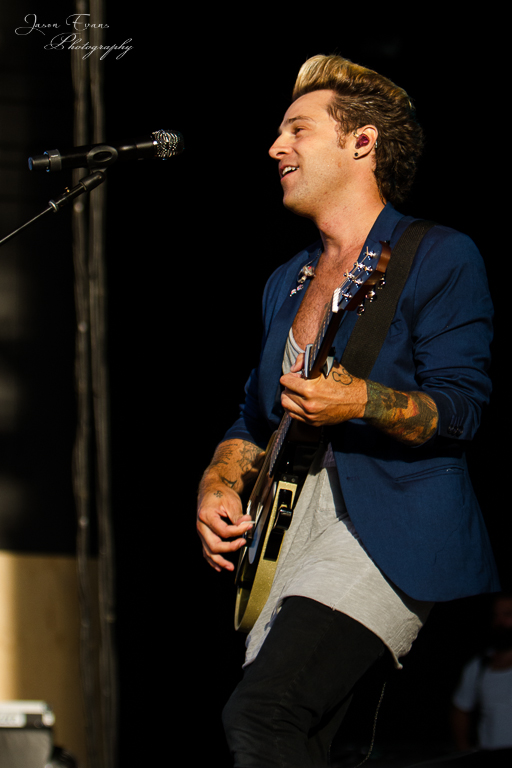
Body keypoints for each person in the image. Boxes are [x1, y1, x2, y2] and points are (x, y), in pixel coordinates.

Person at [196, 54, 499, 767]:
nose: (276, 146)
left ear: (361, 142)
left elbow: (462, 408)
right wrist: (218, 480)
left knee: (262, 713)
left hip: (383, 527)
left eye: (297, 129)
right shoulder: (285, 279)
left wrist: (359, 398)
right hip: (282, 537)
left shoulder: (438, 254)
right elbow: (254, 418)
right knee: (300, 741)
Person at [451, 594, 512, 755]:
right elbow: (461, 709)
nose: (500, 622)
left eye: (507, 614)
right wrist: (465, 752)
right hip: (489, 756)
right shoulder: (478, 666)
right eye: (496, 615)